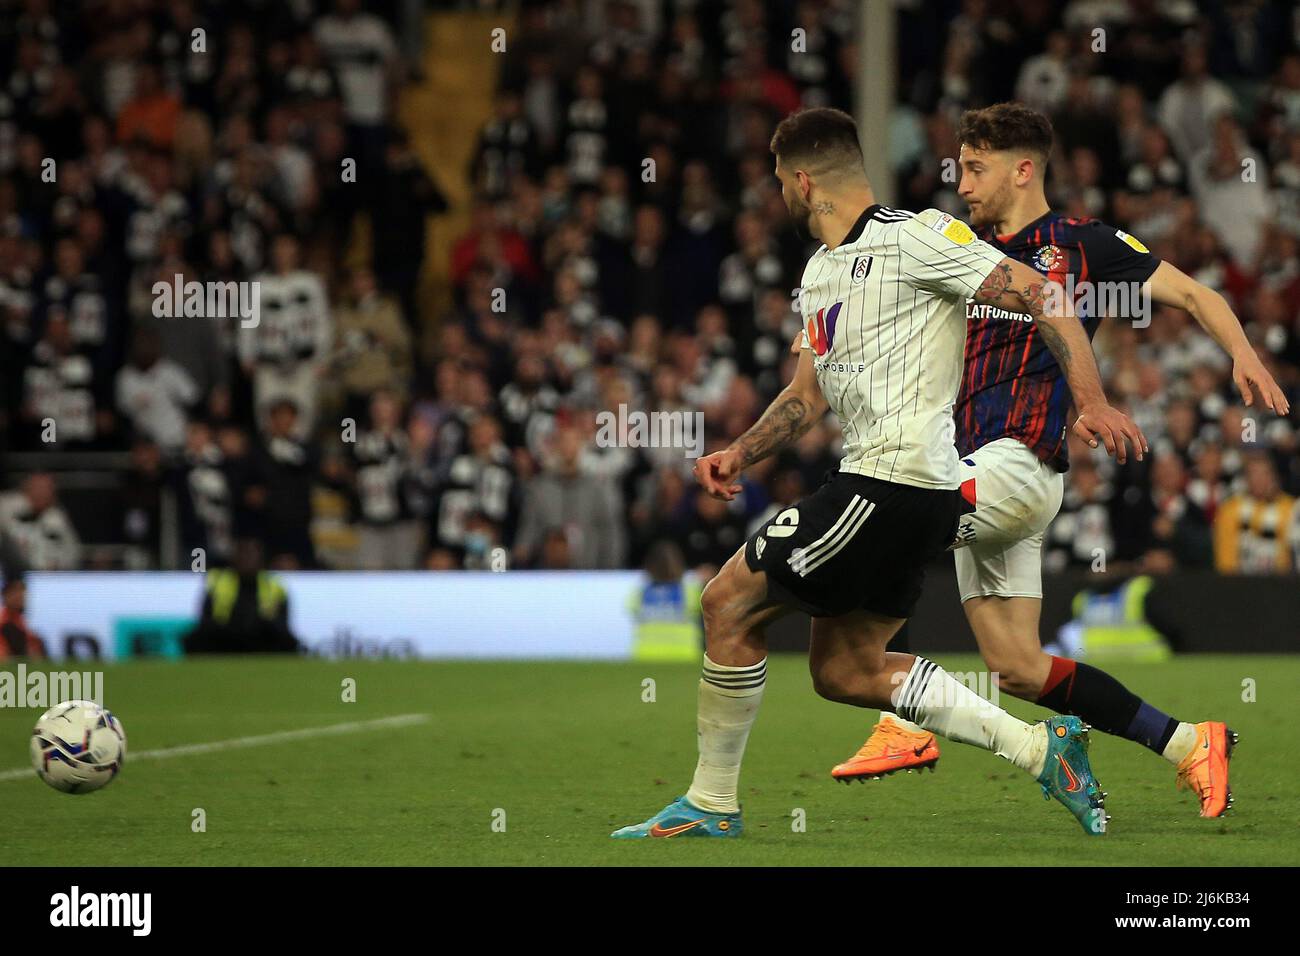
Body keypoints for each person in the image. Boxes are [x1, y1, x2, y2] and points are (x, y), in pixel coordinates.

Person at [613, 107, 1144, 840]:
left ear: (803, 181)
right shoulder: (820, 272)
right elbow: (805, 397)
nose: (780, 197)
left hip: (892, 484)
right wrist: (742, 451)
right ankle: (1040, 748)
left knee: (725, 604)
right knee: (845, 670)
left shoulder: (917, 236)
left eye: (780, 183)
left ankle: (711, 803)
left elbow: (1044, 295)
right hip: (898, 496)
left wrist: (1089, 399)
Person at [834, 103, 1289, 819]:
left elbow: (1195, 293)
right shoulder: (961, 247)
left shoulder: (1082, 245)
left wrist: (1242, 351)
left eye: (977, 168)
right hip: (979, 473)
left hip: (1012, 463)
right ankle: (1187, 743)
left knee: (895, 516)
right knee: (1015, 668)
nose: (964, 181)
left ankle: (901, 721)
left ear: (1023, 169)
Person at [184, 538, 299, 654]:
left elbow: (282, 625)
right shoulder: (218, 581)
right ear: (234, 558)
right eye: (243, 554)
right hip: (225, 635)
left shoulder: (274, 585)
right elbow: (206, 619)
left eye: (251, 554)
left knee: (289, 642)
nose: (247, 559)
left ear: (260, 558)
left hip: (262, 635)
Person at [0, 573, 45, 660]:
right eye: (15, 593)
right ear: (6, 596)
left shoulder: (19, 620)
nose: (21, 597)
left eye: (22, 592)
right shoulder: (4, 624)